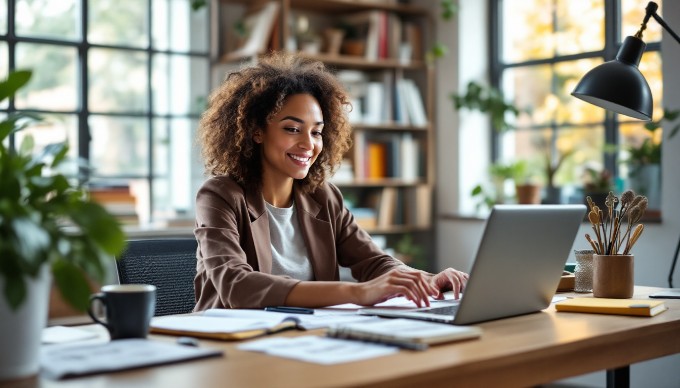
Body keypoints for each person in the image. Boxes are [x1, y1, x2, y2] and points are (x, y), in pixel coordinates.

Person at [193, 52, 468, 311]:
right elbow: (236, 286)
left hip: (305, 336)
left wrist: (425, 280)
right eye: (292, 129)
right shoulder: (220, 195)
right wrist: (357, 292)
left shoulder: (323, 197)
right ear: (256, 132)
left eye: (316, 132)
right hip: (231, 342)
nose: (308, 144)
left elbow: (373, 261)